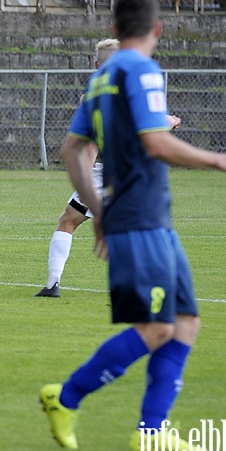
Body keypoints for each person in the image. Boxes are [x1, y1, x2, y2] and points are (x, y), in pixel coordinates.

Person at [39, 0, 226, 451]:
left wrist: (95, 209)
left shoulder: (99, 79)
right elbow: (156, 142)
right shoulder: (142, 69)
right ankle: (66, 397)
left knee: (185, 320)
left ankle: (152, 430)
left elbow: (72, 149)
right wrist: (219, 161)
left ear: (114, 29)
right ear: (156, 30)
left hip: (145, 216)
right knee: (157, 328)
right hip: (141, 217)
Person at [35, 39, 181, 298]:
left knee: (68, 222)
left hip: (101, 175)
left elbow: (86, 144)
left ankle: (53, 284)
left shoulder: (91, 97)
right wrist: (170, 120)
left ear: (95, 64)